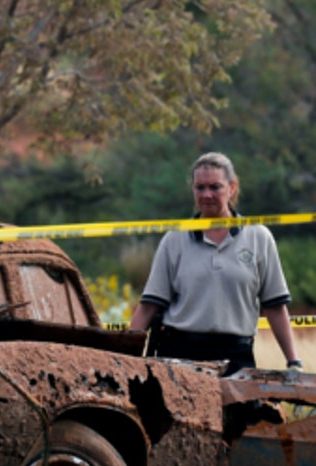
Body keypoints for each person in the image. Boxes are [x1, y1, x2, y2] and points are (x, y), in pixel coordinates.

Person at [128, 152, 302, 376]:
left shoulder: (259, 237)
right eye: (200, 188)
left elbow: (275, 306)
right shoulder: (174, 239)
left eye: (215, 187)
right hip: (179, 357)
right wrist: (124, 359)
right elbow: (149, 306)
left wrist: (294, 362)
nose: (207, 195)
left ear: (232, 188)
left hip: (236, 357)